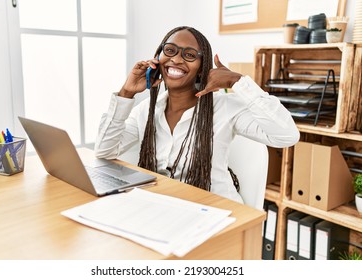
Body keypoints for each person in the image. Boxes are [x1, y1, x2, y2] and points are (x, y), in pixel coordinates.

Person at [94, 26, 300, 204]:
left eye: (189, 55)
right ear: (158, 58)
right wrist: (126, 93)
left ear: (203, 68)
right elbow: (104, 151)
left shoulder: (225, 107)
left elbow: (287, 136)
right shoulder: (147, 109)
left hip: (217, 209)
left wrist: (238, 81)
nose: (175, 59)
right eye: (170, 50)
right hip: (166, 207)